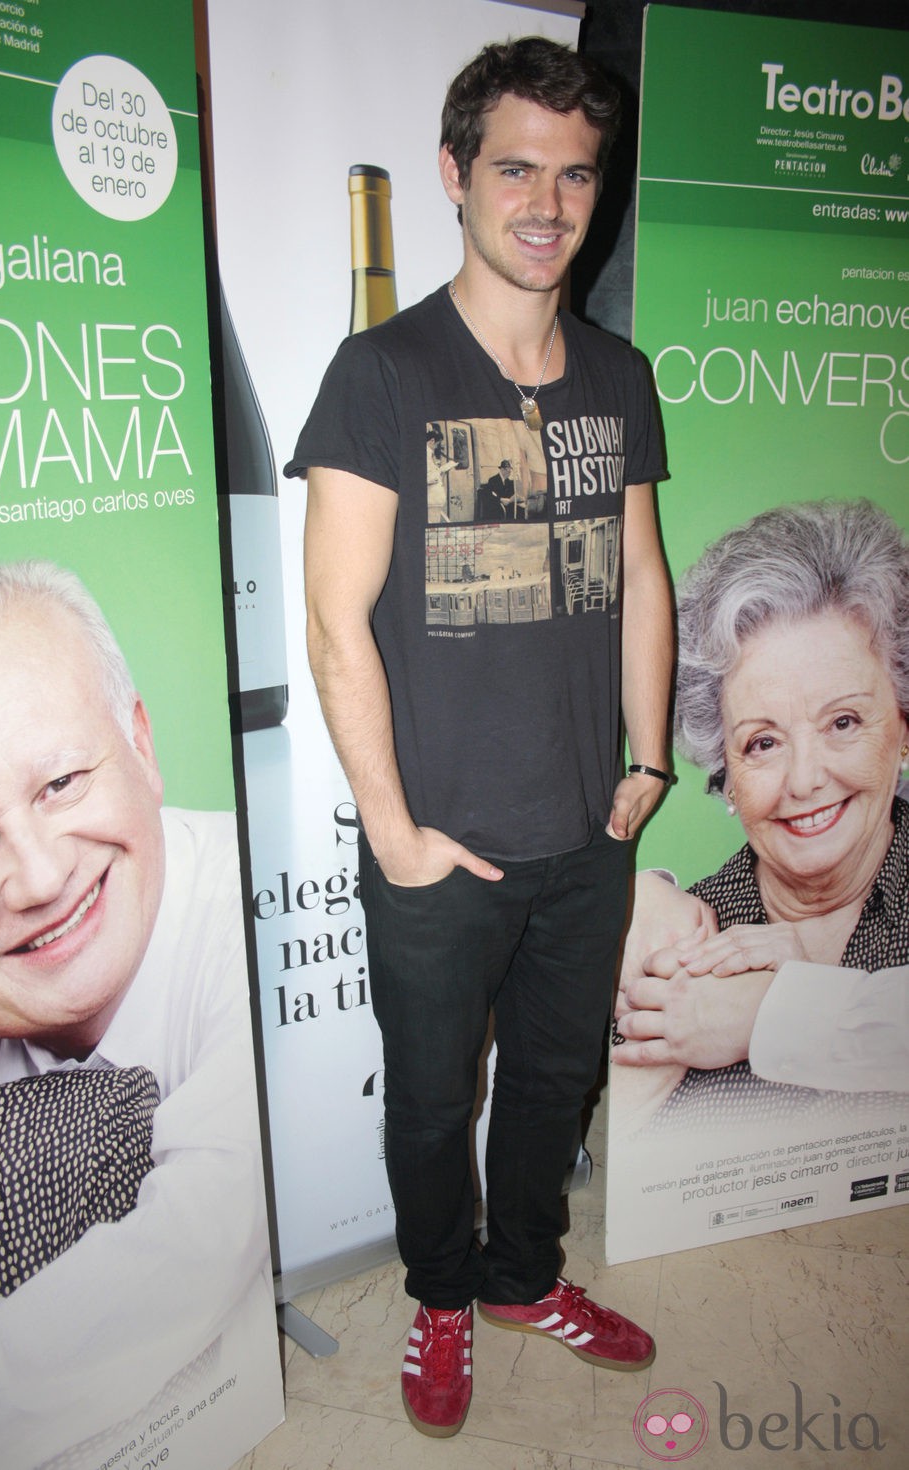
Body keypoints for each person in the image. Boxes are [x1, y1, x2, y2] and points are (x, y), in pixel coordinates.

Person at [285, 37, 673, 1438]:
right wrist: (393, 833)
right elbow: (337, 624)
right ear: (455, 176)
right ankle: (442, 1294)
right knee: (432, 1101)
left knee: (556, 1083)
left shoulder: (618, 379)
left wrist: (645, 765)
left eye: (576, 175)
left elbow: (640, 577)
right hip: (438, 845)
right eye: (517, 168)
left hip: (586, 832)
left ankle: (523, 1276)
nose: (550, 202)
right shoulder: (380, 373)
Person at [0, 560, 265, 1469]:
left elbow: (210, 1238)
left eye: (61, 783)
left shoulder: (270, 909)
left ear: (143, 748)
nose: (39, 879)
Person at [613, 499, 909, 1131]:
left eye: (844, 722)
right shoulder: (677, 950)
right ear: (727, 778)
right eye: (763, 743)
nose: (805, 780)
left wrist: (772, 1015)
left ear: (903, 726)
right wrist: (615, 913)